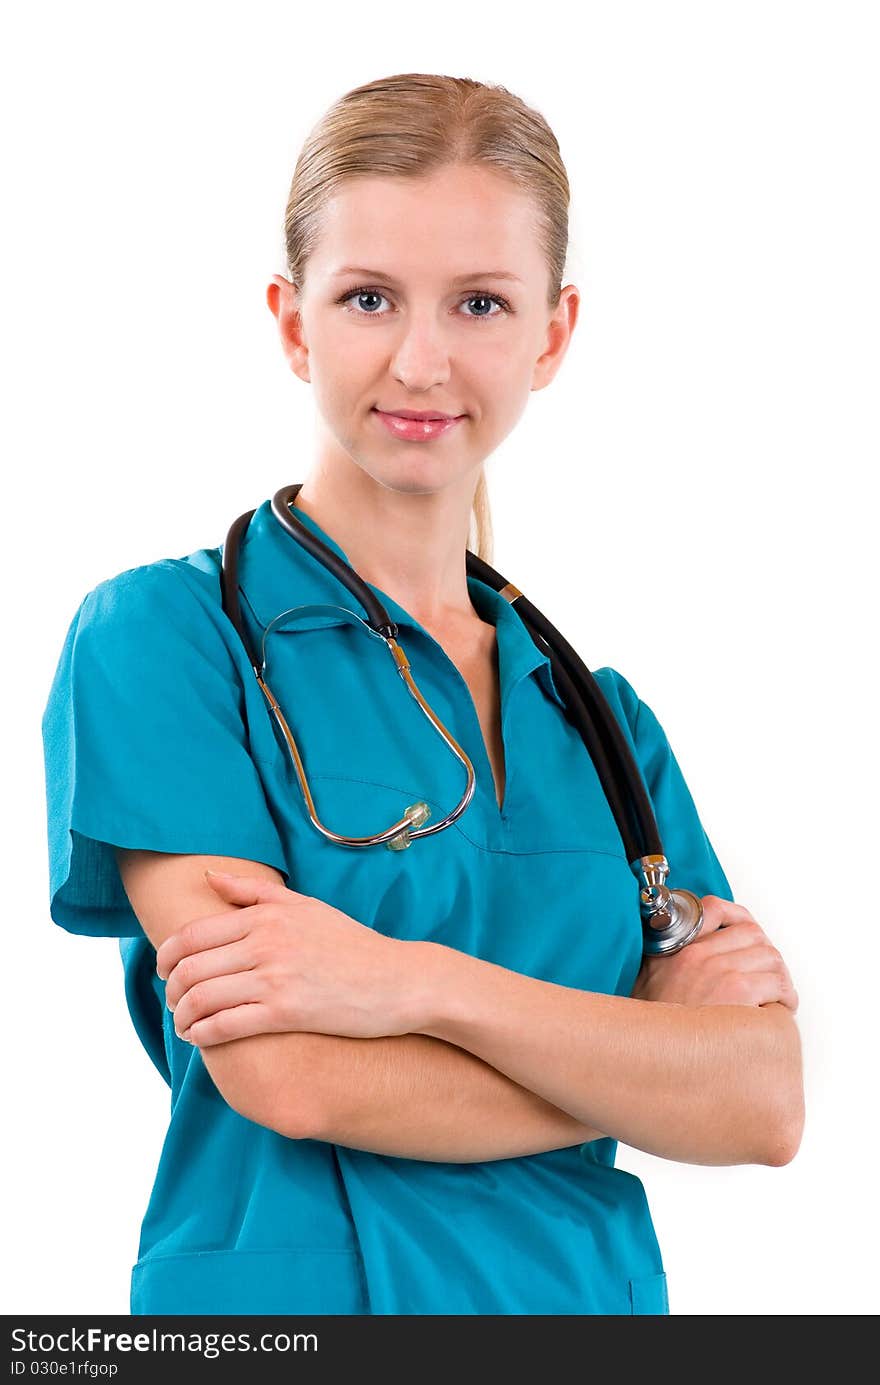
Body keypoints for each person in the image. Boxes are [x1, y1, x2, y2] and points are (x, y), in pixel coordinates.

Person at [41, 72, 804, 1317]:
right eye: (368, 299)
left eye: (481, 303)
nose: (421, 358)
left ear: (551, 335)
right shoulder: (167, 640)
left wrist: (411, 986)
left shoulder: (604, 725)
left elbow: (764, 1104)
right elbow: (288, 1074)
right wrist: (642, 1067)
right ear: (294, 324)